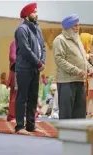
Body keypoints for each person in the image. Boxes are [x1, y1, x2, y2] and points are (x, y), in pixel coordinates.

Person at [53, 14, 93, 119]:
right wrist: (76, 70)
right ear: (68, 27)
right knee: (66, 114)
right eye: (75, 26)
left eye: (77, 25)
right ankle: (65, 135)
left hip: (80, 81)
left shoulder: (78, 40)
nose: (77, 28)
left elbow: (84, 58)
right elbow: (59, 60)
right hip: (67, 82)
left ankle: (78, 135)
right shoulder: (60, 40)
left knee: (79, 113)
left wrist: (89, 68)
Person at [14, 2, 46, 134]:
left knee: (33, 97)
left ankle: (31, 125)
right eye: (34, 12)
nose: (37, 14)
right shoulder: (22, 29)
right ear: (27, 15)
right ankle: (20, 126)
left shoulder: (37, 28)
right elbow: (26, 50)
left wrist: (42, 61)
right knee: (22, 97)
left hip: (35, 69)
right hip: (24, 68)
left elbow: (42, 47)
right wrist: (39, 63)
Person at [80, 33, 93, 117]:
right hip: (81, 77)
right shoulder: (80, 51)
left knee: (90, 94)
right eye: (89, 42)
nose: (90, 44)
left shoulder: (88, 52)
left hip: (89, 77)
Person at [7, 40, 17, 121]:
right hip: (16, 70)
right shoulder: (14, 43)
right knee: (15, 94)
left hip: (26, 71)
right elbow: (12, 57)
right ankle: (12, 116)